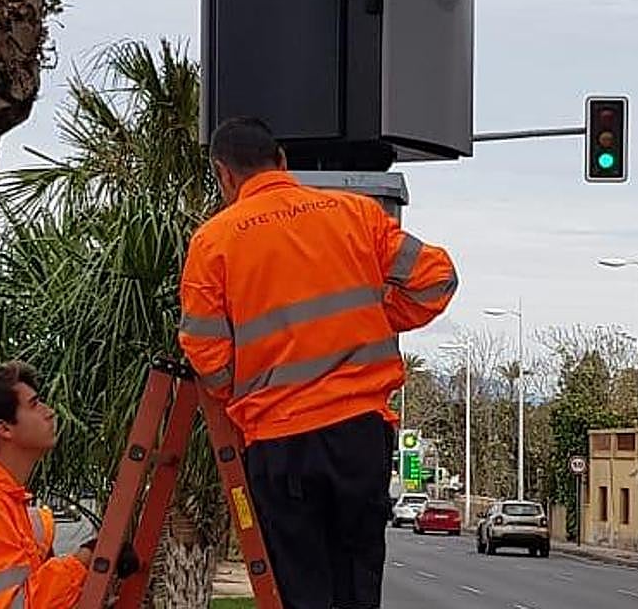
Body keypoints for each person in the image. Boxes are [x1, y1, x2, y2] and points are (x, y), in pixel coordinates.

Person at [178, 117, 458, 609]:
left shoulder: (214, 242)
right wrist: (378, 314)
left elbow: (205, 351)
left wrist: (241, 394)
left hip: (280, 439)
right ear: (282, 160)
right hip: (360, 435)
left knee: (302, 589)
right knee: (357, 582)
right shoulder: (356, 214)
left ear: (224, 175)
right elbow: (436, 280)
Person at [0, 361, 89, 609]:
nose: (49, 412)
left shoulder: (7, 501)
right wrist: (85, 560)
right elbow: (18, 605)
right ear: (4, 428)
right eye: (35, 404)